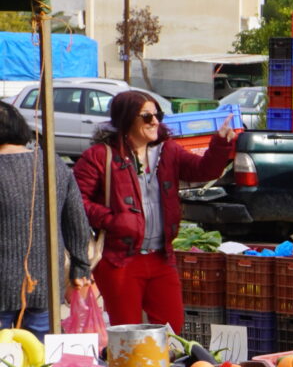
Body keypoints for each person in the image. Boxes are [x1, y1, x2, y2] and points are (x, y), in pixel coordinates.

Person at [73, 91, 236, 334]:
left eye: (157, 115)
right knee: (128, 333)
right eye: (147, 116)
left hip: (161, 258)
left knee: (171, 330)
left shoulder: (168, 151)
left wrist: (220, 143)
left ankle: (164, 362)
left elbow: (203, 170)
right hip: (119, 260)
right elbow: (77, 201)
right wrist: (113, 220)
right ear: (127, 118)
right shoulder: (99, 156)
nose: (155, 121)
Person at [0, 103, 93, 333]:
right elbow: (76, 221)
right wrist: (81, 266)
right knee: (40, 353)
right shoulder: (53, 164)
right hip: (45, 282)